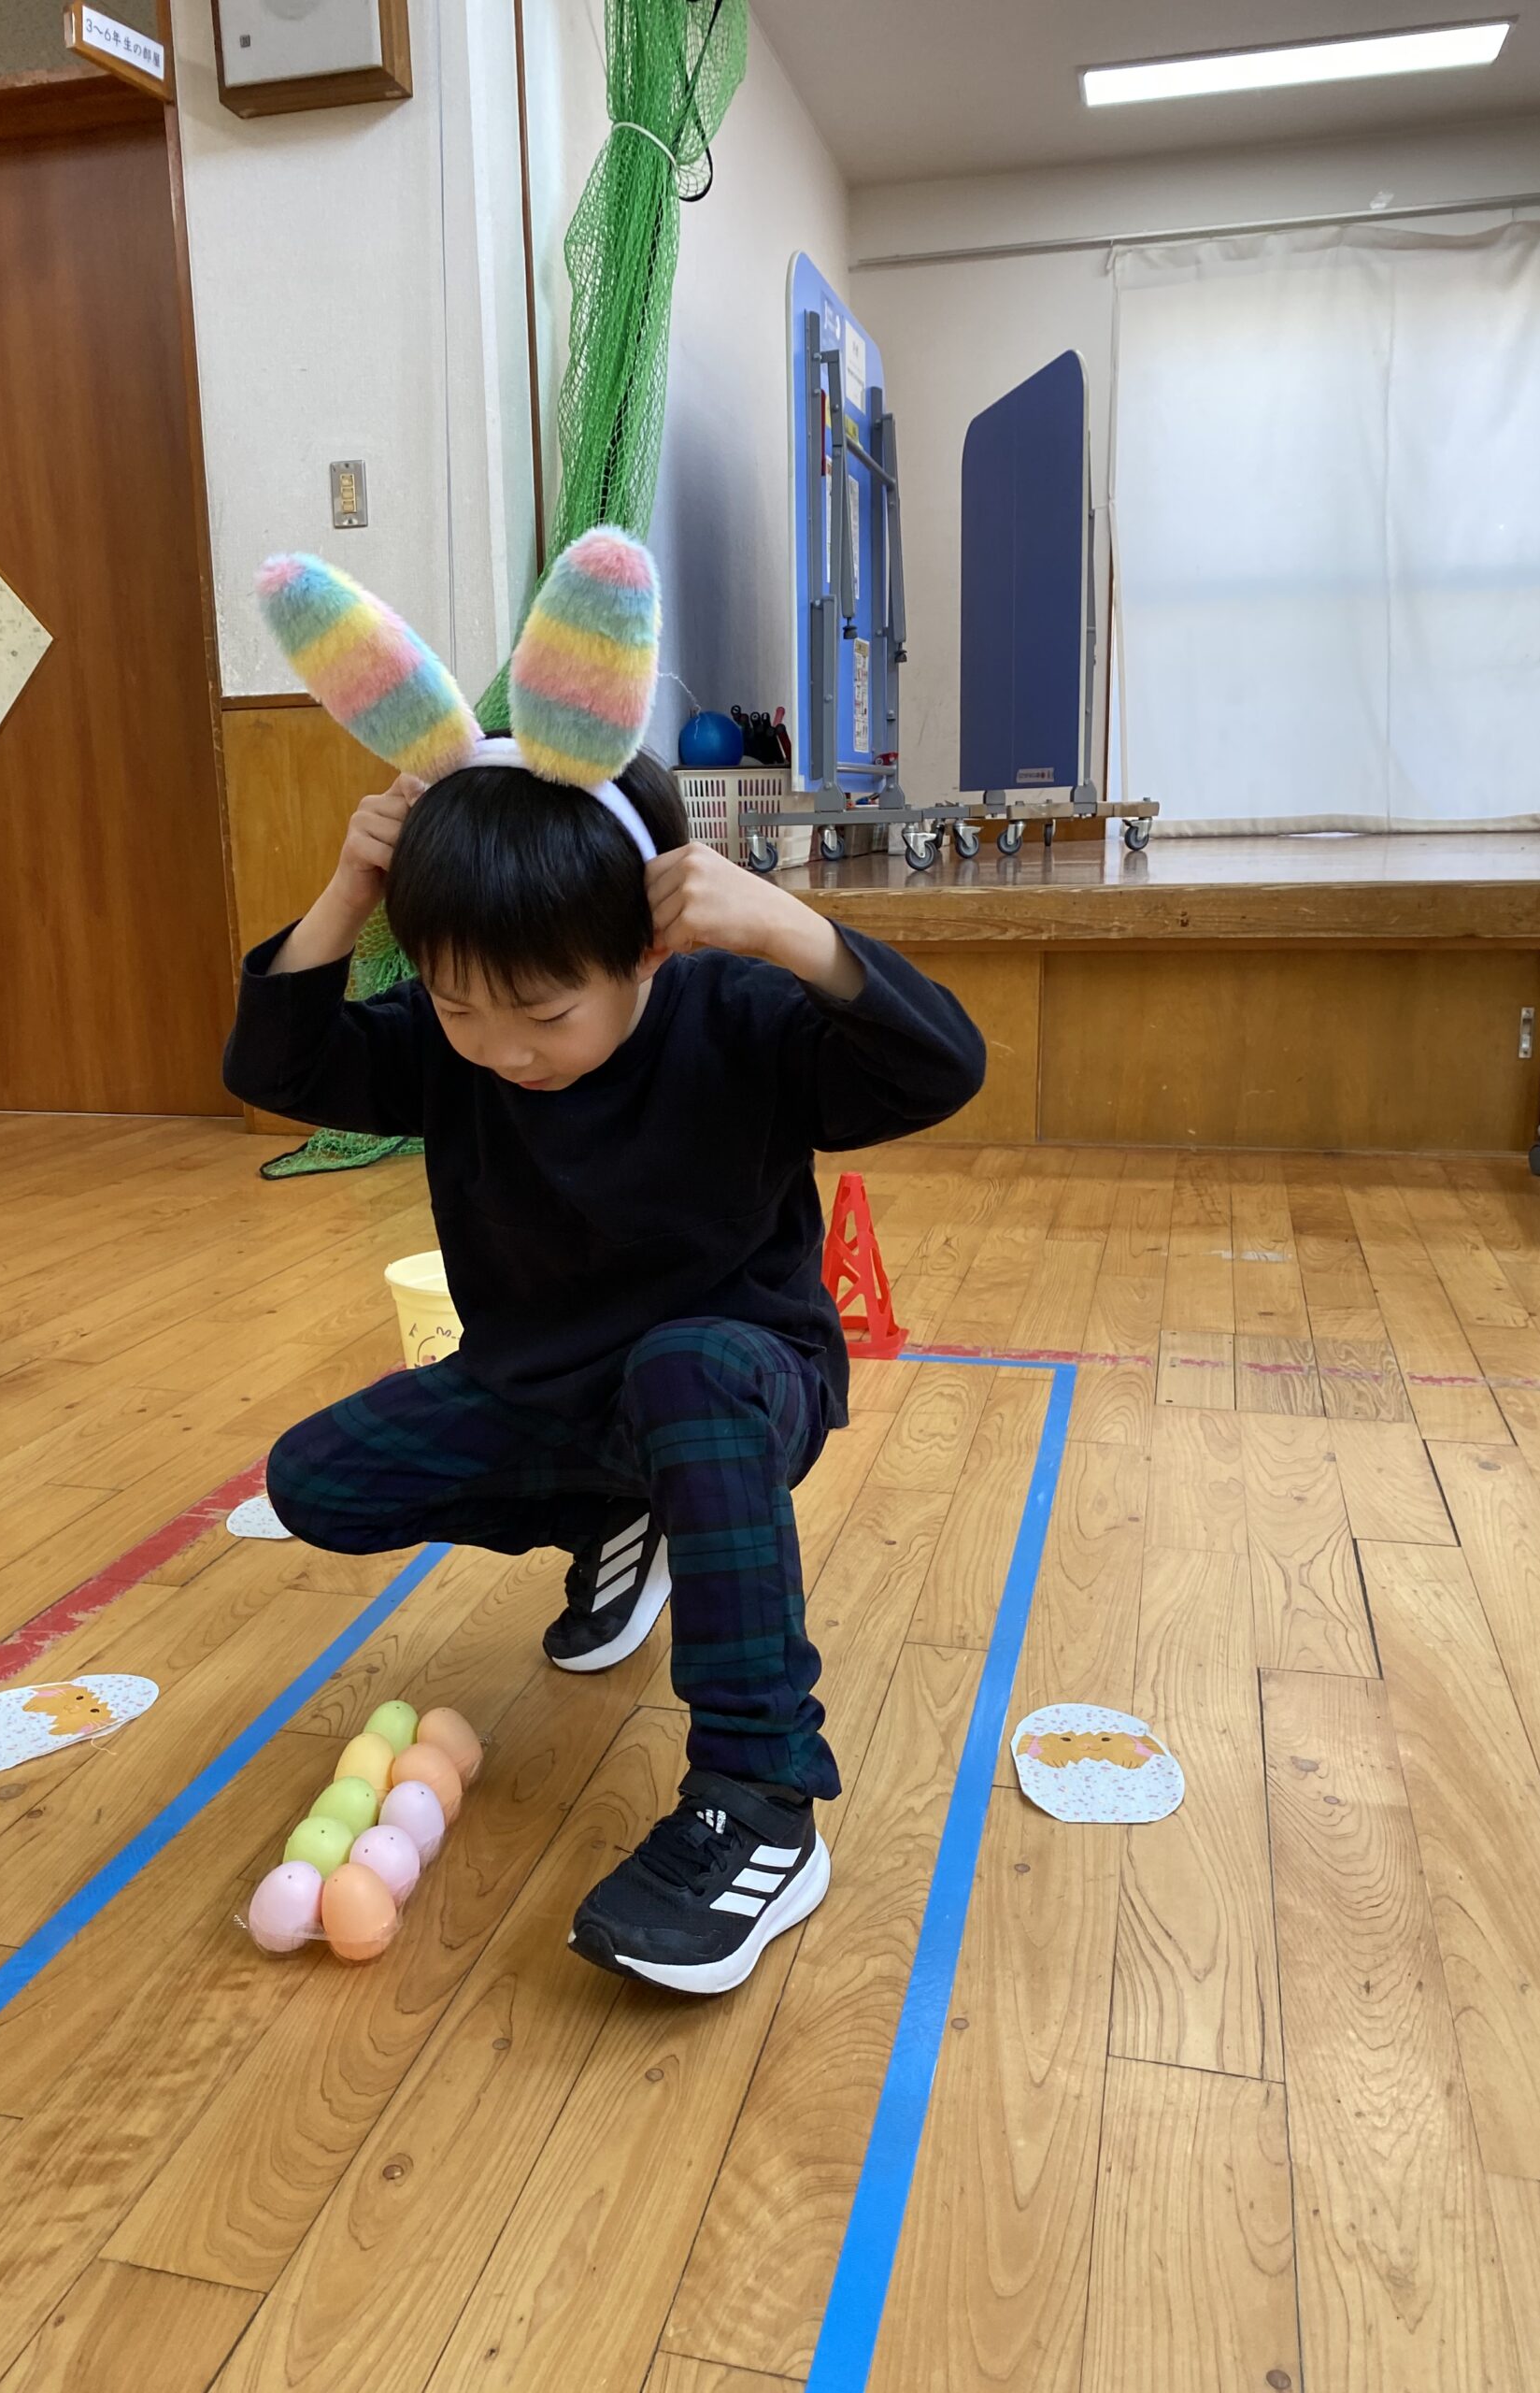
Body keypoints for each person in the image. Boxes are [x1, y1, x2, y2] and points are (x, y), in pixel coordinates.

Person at [224, 754, 985, 1996]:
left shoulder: (735, 1012)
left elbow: (941, 1066)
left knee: (684, 1372)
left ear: (646, 948)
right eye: (459, 1008)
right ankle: (618, 1516)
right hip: (547, 1394)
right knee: (318, 1479)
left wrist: (790, 929)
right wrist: (352, 890)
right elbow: (277, 1068)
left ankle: (762, 1800)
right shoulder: (458, 1047)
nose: (503, 1050)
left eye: (543, 1013)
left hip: (739, 1383)